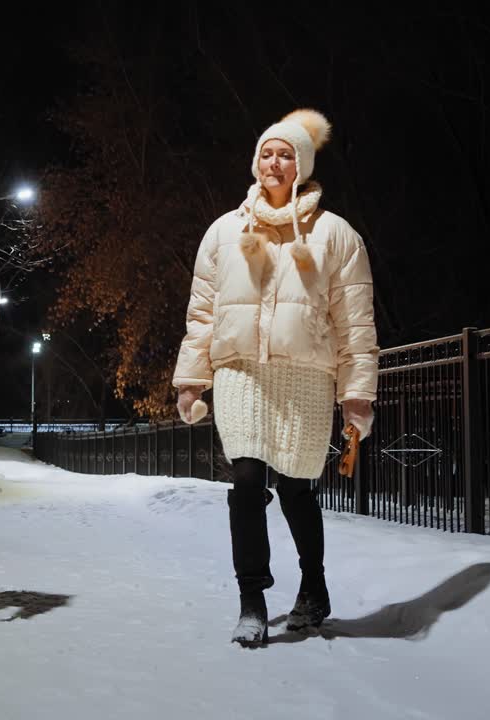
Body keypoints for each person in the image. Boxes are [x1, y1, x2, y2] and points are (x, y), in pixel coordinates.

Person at [172, 109, 379, 647]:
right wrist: (191, 379)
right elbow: (202, 314)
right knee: (245, 484)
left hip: (306, 377)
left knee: (294, 488)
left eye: (285, 154)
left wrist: (357, 395)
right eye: (267, 152)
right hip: (240, 372)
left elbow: (355, 322)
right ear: (255, 161)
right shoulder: (223, 232)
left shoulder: (336, 235)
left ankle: (314, 587)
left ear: (302, 166)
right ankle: (252, 600)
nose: (274, 161)